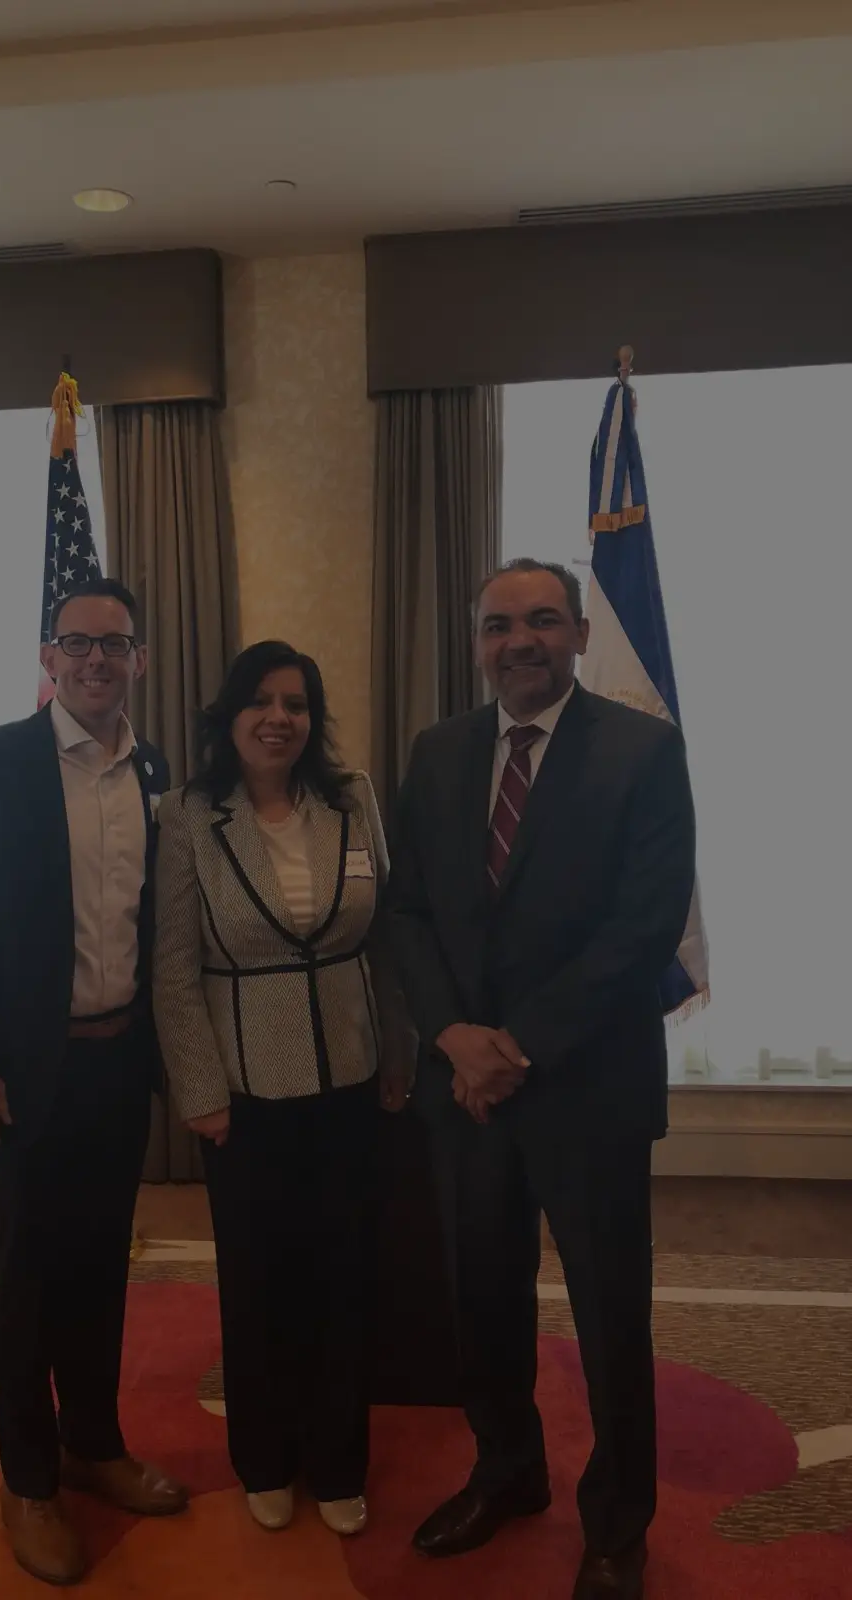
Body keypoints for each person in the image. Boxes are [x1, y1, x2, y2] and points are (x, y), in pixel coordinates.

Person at [385, 558, 696, 1600]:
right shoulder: (436, 753)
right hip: (465, 1093)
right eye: (499, 624)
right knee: (481, 1298)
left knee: (609, 1313)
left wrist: (512, 1045)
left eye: (544, 621)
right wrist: (451, 1035)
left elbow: (643, 926)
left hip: (587, 1087)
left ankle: (616, 1525)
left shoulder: (642, 750)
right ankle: (507, 1470)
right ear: (478, 641)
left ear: (577, 635)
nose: (520, 640)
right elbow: (409, 912)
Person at [0, 578, 187, 1587]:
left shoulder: (153, 769)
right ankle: (27, 1478)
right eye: (76, 643)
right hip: (26, 1073)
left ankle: (93, 1445)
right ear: (48, 656)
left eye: (114, 644)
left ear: (139, 660)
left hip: (118, 1063)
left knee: (100, 1268)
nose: (95, 660)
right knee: (30, 1280)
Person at [152, 640, 410, 1540]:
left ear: (313, 719)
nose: (278, 718)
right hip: (244, 1088)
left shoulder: (353, 799)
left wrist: (399, 1053)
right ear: (229, 716)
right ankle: (263, 1457)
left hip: (350, 1074)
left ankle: (338, 1463)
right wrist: (200, 1089)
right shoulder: (188, 814)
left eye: (296, 704)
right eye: (260, 701)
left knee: (344, 1277)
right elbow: (173, 968)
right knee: (259, 1280)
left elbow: (386, 939)